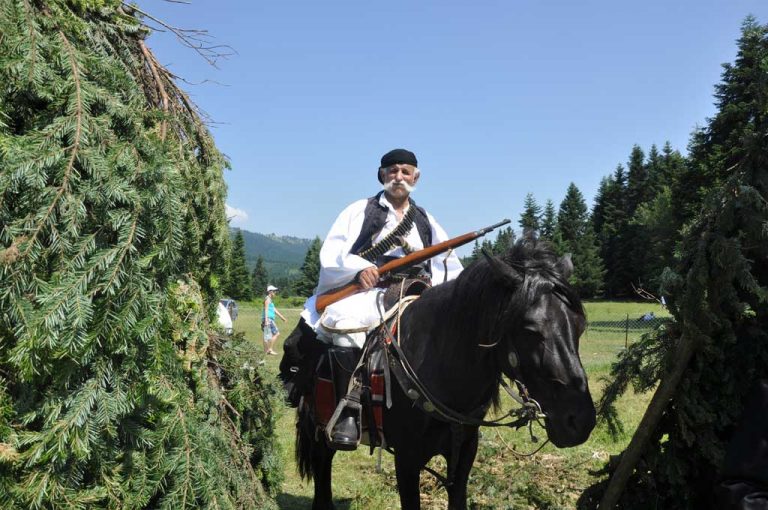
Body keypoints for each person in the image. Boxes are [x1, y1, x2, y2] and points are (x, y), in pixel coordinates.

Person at [279, 148, 463, 450]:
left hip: (414, 294)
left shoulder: (426, 221)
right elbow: (333, 254)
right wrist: (359, 269)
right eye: (392, 171)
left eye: (406, 171)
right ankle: (348, 411)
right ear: (382, 175)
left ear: (416, 177)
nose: (399, 176)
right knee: (346, 325)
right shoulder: (359, 211)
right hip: (367, 293)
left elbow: (447, 263)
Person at [262, 285, 287, 355]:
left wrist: (282, 317)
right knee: (276, 333)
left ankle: (266, 351)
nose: (275, 293)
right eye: (274, 291)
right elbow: (266, 310)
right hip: (268, 319)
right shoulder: (267, 299)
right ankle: (270, 349)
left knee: (266, 335)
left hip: (268, 319)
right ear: (270, 292)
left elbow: (274, 310)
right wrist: (266, 320)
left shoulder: (270, 300)